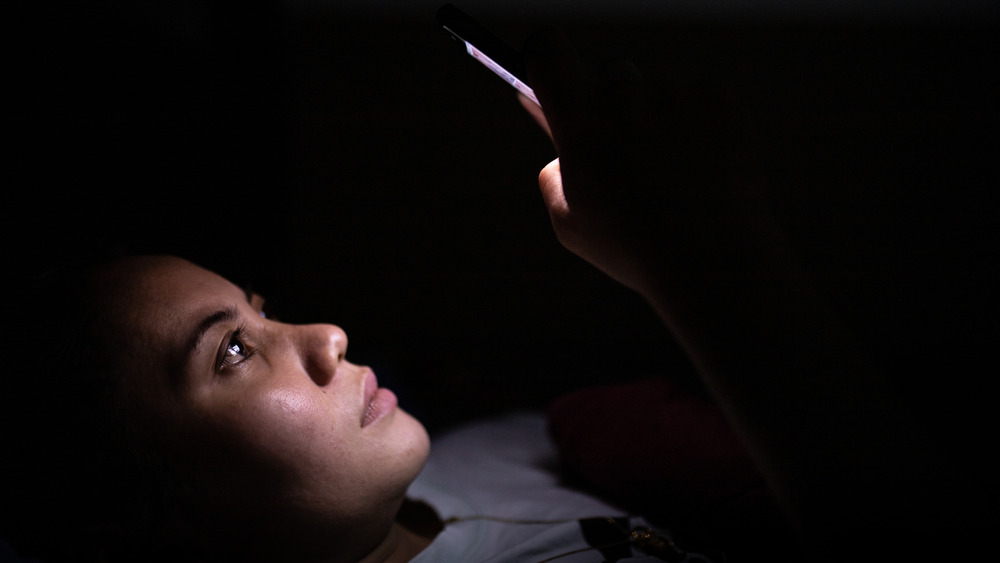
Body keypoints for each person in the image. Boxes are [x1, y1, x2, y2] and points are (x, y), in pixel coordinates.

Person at [1, 26, 992, 563]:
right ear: (143, 524)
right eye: (230, 350)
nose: (328, 333)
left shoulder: (473, 445)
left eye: (262, 311)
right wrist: (709, 258)